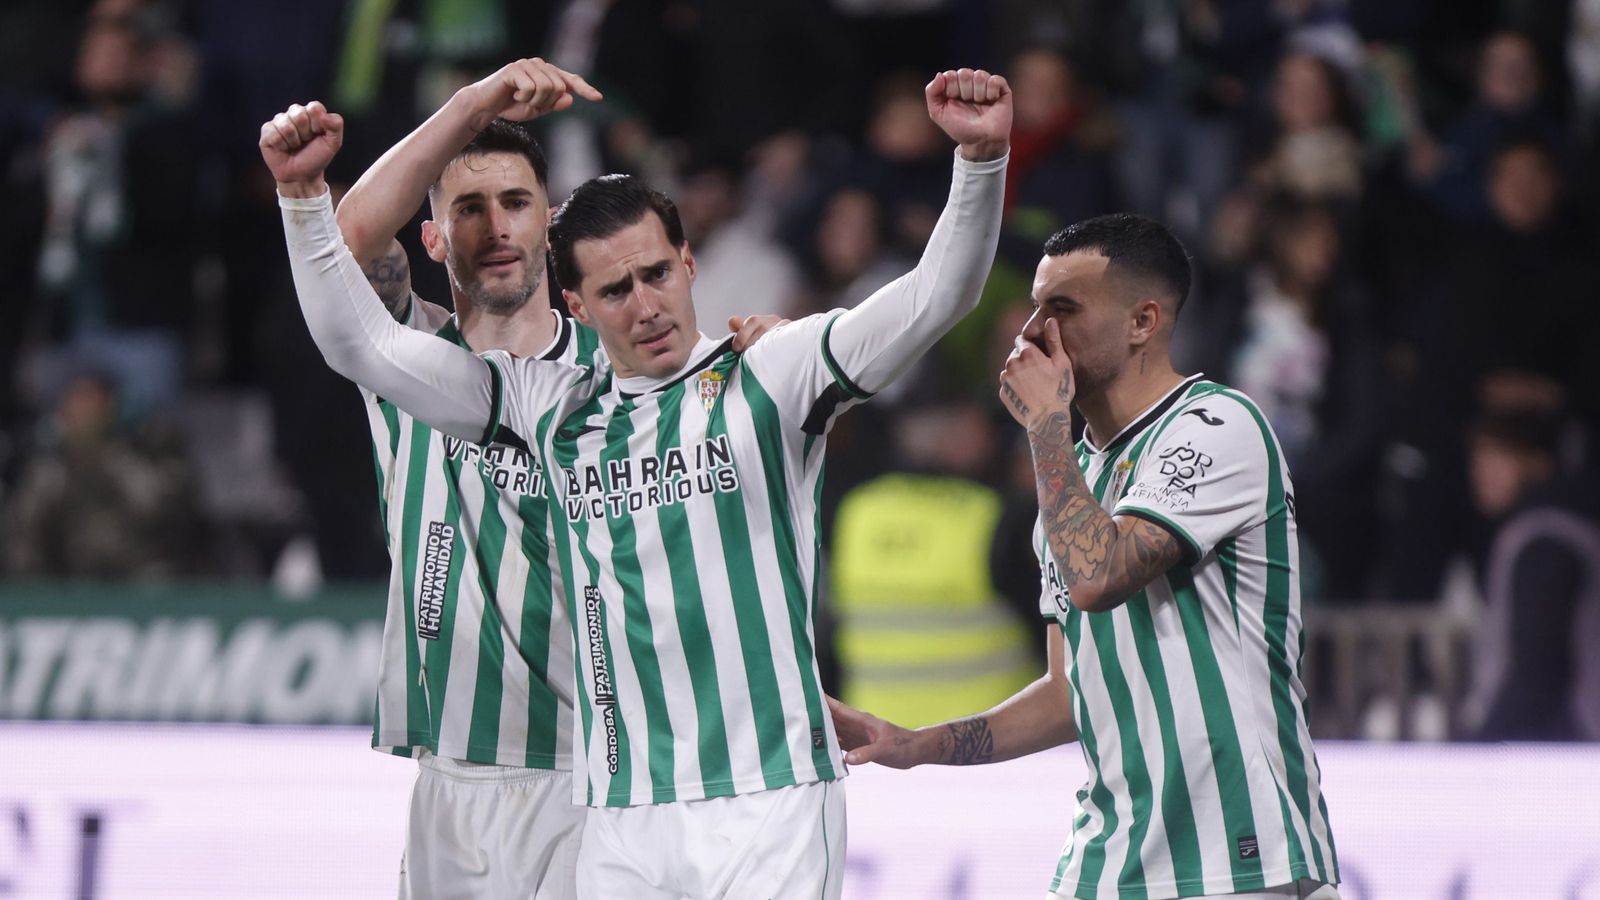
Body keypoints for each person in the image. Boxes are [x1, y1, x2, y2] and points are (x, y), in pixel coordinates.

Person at [269, 65, 1011, 899]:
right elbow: (353, 326)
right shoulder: (547, 405)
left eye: (657, 275)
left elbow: (934, 297)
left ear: (690, 263)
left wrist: (979, 164)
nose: (646, 304)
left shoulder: (768, 371)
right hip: (600, 804)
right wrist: (304, 200)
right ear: (583, 301)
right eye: (617, 289)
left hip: (724, 787)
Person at [260, 61, 779, 899]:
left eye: (515, 204)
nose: (494, 226)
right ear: (431, 239)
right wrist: (467, 109)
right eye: (466, 208)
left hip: (592, 775)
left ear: (550, 228)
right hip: (448, 776)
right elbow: (347, 244)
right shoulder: (406, 358)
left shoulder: (621, 379)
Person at [829, 214, 1340, 899]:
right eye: (1035, 306)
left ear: (1143, 322)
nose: (1033, 330)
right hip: (1110, 859)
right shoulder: (1072, 479)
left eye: (1063, 309)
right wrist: (920, 745)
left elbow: (1100, 576)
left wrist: (1046, 428)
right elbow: (1069, 690)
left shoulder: (1218, 428)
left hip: (1240, 856)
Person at [1461, 409, 1600, 742]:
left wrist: (1483, 746)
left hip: (1566, 747)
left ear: (1539, 464)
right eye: (1479, 458)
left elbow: (1539, 671)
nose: (1484, 472)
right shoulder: (1537, 530)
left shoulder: (1545, 538)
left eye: (1501, 457)